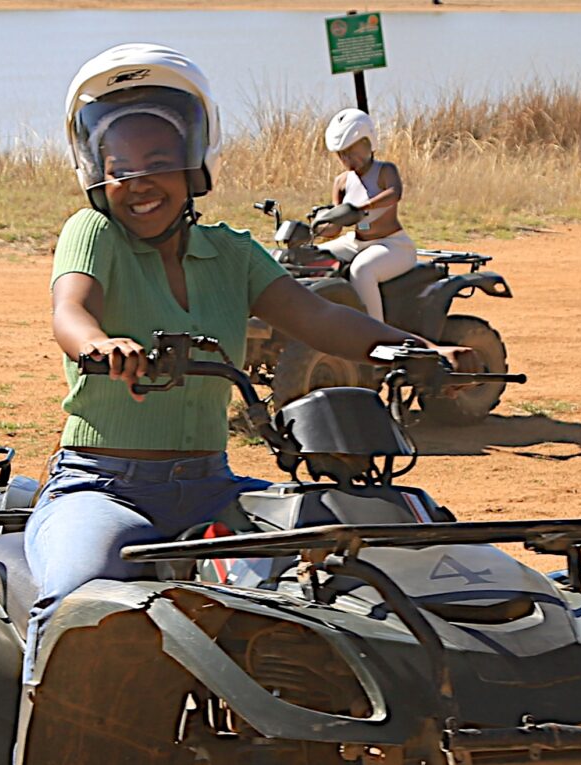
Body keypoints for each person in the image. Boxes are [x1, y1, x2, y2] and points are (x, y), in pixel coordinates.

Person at [22, 45, 428, 685]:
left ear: (195, 163)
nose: (139, 182)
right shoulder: (92, 233)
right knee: (79, 596)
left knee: (364, 537)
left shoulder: (231, 253)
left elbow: (318, 318)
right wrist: (99, 346)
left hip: (213, 483)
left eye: (159, 162)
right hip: (103, 486)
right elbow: (70, 311)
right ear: (95, 173)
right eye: (120, 166)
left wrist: (403, 347)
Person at [318, 106, 418, 322]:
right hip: (355, 242)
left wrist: (361, 208)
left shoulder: (385, 170)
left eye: (351, 149)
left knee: (362, 270)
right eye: (341, 153)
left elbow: (394, 193)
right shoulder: (341, 181)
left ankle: (376, 333)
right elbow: (335, 226)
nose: (347, 158)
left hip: (392, 245)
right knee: (311, 258)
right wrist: (319, 225)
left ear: (368, 143)